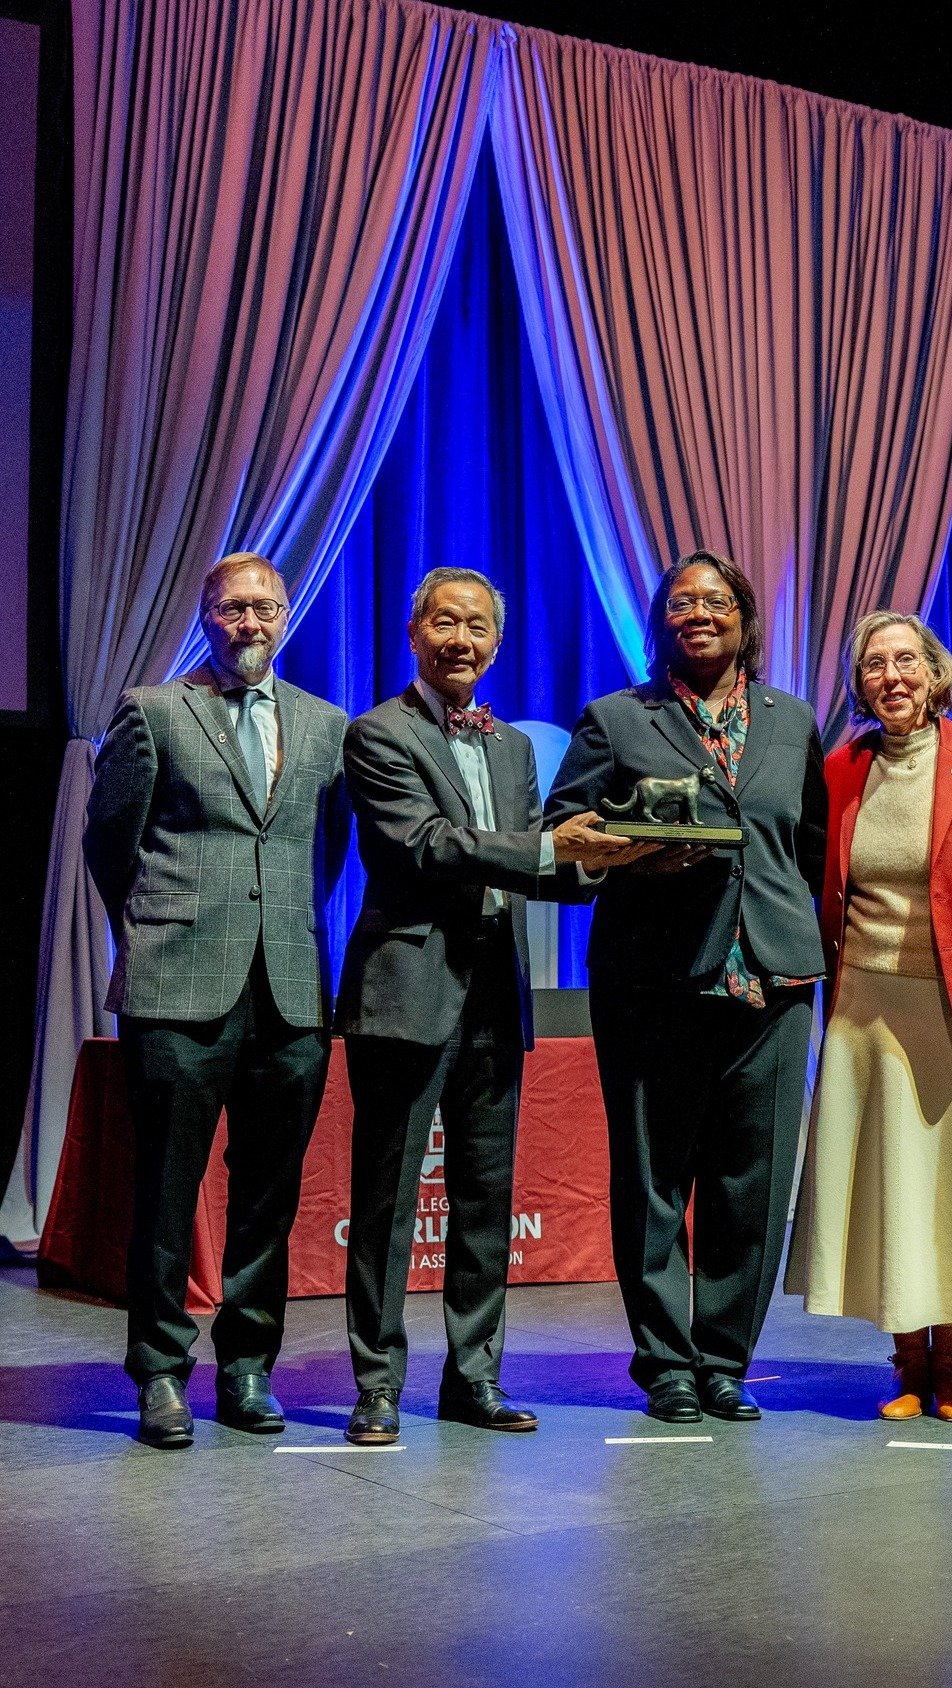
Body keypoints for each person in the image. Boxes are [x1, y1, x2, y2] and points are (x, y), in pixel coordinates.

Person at [337, 567, 648, 1446]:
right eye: (445, 622)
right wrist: (555, 849)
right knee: (387, 1202)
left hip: (492, 997)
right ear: (414, 633)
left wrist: (623, 862)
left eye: (477, 627)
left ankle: (473, 1378)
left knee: (485, 1199)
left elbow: (544, 866)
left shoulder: (513, 748)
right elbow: (428, 847)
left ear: (496, 645)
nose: (460, 640)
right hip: (404, 992)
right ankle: (377, 1385)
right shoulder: (378, 733)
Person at [545, 550, 827, 1425]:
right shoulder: (616, 719)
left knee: (753, 1184)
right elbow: (562, 836)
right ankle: (666, 1362)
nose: (696, 614)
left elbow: (806, 846)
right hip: (652, 981)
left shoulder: (792, 721)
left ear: (744, 619)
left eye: (713, 601)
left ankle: (724, 1360)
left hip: (771, 980)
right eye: (679, 603)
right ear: (661, 622)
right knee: (653, 1181)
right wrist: (625, 852)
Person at [84, 553, 349, 1449]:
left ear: (286, 616)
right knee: (165, 1192)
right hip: (177, 985)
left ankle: (246, 1366)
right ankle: (160, 1372)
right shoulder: (153, 709)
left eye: (266, 607)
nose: (251, 622)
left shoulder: (324, 724)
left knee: (269, 1196)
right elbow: (109, 842)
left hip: (291, 988)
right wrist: (160, 932)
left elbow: (330, 852)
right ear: (206, 616)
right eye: (233, 607)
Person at [785, 612, 952, 1420]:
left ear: (936, 674)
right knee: (886, 1186)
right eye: (874, 665)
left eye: (907, 660)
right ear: (859, 684)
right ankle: (904, 1365)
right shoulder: (837, 770)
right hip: (865, 1009)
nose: (892, 676)